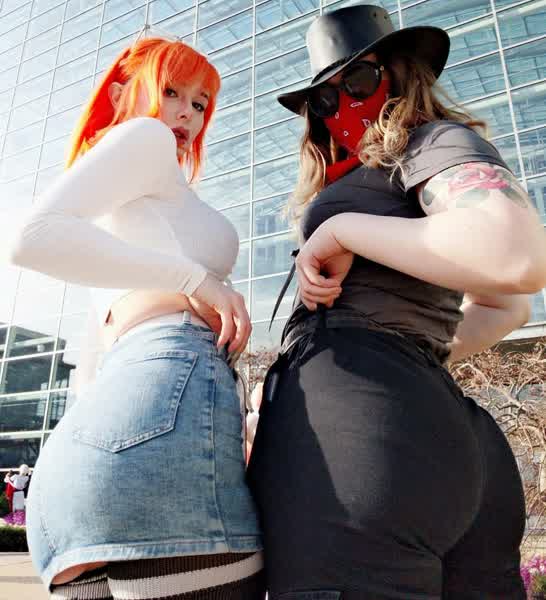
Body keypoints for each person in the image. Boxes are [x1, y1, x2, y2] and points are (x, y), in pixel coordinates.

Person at [247, 5, 546, 598]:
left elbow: (516, 257)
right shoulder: (375, 174)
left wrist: (341, 231)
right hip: (420, 424)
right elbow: (506, 309)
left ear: (402, 75)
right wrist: (403, 357)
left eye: (358, 81)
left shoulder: (430, 140)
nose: (343, 107)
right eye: (324, 101)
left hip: (361, 441)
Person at [8, 34, 264, 600]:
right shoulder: (144, 138)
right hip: (161, 414)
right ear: (122, 94)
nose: (187, 113)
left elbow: (95, 356)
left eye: (200, 103)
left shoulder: (127, 210)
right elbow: (30, 239)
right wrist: (195, 280)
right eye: (171, 91)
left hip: (86, 452)